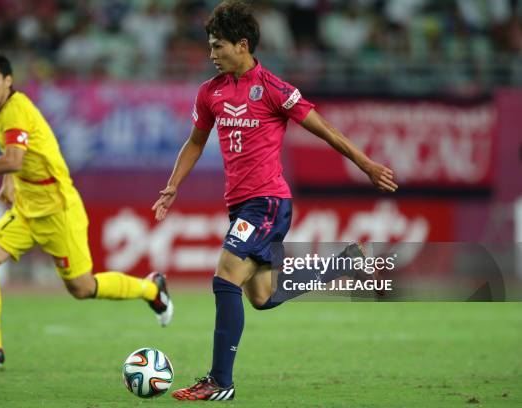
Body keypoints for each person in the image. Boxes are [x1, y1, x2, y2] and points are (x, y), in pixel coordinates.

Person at [151, 1, 397, 401]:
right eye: (210, 47)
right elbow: (195, 141)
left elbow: (326, 131)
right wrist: (173, 184)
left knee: (226, 273)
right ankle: (344, 263)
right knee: (262, 296)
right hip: (241, 205)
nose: (211, 54)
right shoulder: (209, 92)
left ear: (242, 45)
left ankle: (219, 381)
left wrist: (366, 164)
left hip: (267, 202)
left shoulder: (274, 89)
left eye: (218, 46)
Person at [0, 51, 173, 367]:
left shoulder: (15, 110)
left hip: (58, 209)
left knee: (82, 288)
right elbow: (18, 157)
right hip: (28, 207)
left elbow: (14, 158)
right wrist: (10, 181)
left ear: (7, 81)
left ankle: (150, 288)